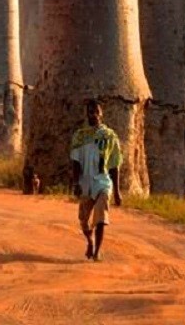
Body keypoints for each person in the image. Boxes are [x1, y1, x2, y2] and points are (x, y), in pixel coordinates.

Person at [70, 99, 123, 261]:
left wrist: (117, 192)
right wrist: (76, 182)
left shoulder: (109, 136)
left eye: (96, 111)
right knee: (84, 221)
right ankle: (90, 241)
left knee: (101, 216)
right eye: (90, 112)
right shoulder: (80, 136)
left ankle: (97, 252)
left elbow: (114, 164)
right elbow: (75, 162)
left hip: (102, 181)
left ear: (101, 113)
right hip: (85, 182)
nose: (93, 115)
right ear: (87, 114)